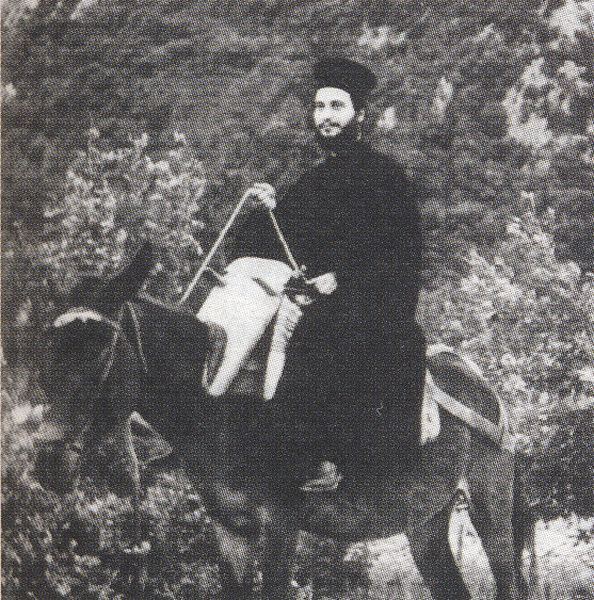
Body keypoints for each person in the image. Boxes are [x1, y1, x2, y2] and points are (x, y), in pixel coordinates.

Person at [233, 57, 427, 491]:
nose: (326, 116)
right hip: (312, 301)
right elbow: (276, 241)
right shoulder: (314, 181)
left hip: (370, 305)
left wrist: (342, 279)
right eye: (320, 107)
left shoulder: (387, 178)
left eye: (337, 106)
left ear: (360, 115)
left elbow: (403, 255)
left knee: (323, 336)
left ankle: (326, 461)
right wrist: (265, 209)